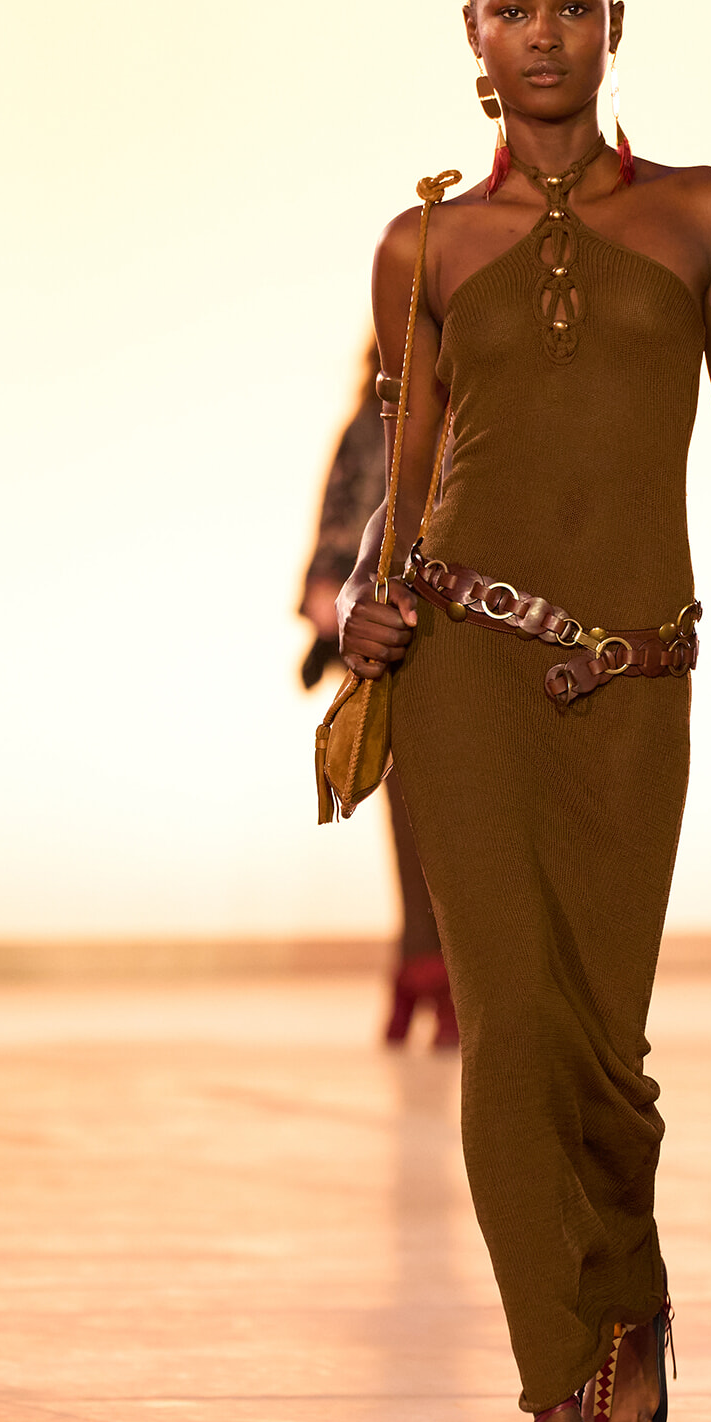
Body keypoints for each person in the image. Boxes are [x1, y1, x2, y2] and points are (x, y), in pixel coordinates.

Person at [336, 0, 711, 1422]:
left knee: (606, 1052)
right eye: (510, 9)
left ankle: (630, 1293)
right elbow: (402, 507)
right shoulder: (421, 252)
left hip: (640, 686)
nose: (542, 33)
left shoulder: (705, 220)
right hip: (465, 675)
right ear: (469, 32)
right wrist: (360, 610)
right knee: (514, 1045)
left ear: (618, 24)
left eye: (573, 7)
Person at [300, 342, 458, 1047]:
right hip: (390, 636)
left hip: (453, 628)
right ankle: (432, 973)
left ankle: (421, 972)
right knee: (417, 811)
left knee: (432, 816)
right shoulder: (371, 423)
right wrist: (339, 621)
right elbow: (337, 532)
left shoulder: (473, 417)